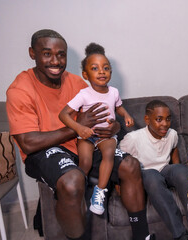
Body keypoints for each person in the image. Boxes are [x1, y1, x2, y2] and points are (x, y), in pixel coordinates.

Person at [6, 29, 154, 240]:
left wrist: (115, 128)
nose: (56, 61)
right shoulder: (20, 89)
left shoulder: (76, 82)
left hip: (83, 142)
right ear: (32, 53)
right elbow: (28, 143)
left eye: (61, 54)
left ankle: (142, 235)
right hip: (43, 150)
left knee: (130, 166)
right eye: (47, 53)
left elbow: (102, 116)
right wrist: (76, 127)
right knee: (72, 180)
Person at [59, 42, 134, 215]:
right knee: (85, 162)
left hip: (106, 135)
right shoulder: (83, 95)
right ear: (85, 74)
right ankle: (78, 193)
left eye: (106, 68)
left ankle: (99, 192)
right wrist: (79, 128)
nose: (101, 71)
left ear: (110, 72)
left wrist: (127, 115)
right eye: (95, 68)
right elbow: (63, 115)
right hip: (88, 134)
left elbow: (118, 107)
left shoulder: (114, 92)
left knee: (108, 155)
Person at [119, 100, 188, 240]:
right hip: (145, 173)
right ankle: (181, 235)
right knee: (152, 176)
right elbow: (119, 163)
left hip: (164, 170)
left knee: (181, 171)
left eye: (168, 119)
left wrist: (177, 171)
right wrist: (119, 187)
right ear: (147, 119)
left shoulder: (173, 134)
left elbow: (174, 154)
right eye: (159, 120)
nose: (164, 124)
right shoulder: (132, 138)